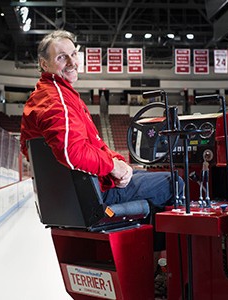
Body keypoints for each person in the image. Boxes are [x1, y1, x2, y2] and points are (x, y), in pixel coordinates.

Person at [20, 30, 184, 293]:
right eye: (62, 57)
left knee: (141, 175)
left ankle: (153, 268)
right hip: (94, 198)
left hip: (73, 199)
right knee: (173, 182)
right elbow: (71, 152)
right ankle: (166, 272)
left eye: (74, 54)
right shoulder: (56, 99)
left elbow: (92, 144)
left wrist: (119, 163)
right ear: (45, 64)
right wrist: (112, 167)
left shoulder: (52, 96)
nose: (73, 62)